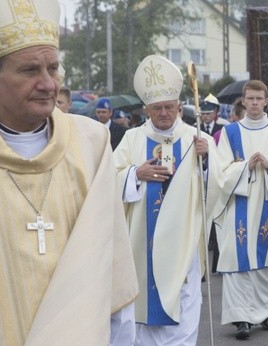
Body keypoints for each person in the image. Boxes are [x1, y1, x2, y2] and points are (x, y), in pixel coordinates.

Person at [0, 1, 138, 345]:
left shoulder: (91, 143)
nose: (48, 83)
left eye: (53, 68)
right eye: (30, 70)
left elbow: (110, 260)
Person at [113, 54, 222, 345]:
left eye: (169, 107)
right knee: (142, 317)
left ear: (179, 106)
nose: (164, 113)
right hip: (140, 243)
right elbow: (109, 180)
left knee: (183, 310)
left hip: (183, 243)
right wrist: (136, 173)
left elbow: (218, 188)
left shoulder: (198, 139)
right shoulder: (132, 139)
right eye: (157, 108)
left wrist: (208, 160)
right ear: (147, 109)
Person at [214, 80, 268, 340]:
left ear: (267, 101)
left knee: (266, 263)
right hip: (239, 204)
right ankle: (240, 318)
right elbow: (220, 172)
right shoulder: (231, 132)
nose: (255, 104)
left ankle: (263, 312)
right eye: (250, 99)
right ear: (243, 101)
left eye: (260, 99)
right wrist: (245, 167)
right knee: (237, 263)